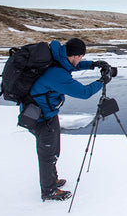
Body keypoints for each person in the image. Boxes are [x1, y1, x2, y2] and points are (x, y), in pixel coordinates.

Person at [25, 38, 115, 201]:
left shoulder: (59, 59)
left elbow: (73, 65)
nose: (81, 59)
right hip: (40, 116)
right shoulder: (56, 74)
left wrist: (94, 64)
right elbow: (84, 93)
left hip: (47, 113)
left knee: (53, 150)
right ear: (73, 54)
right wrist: (102, 81)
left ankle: (52, 180)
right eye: (80, 56)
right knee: (47, 153)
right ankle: (49, 190)